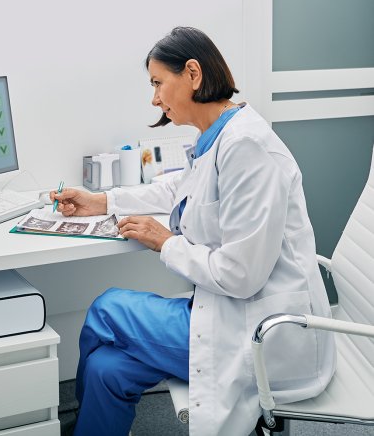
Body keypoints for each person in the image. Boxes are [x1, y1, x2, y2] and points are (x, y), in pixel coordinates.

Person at [52, 27, 336, 436]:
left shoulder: (248, 147)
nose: (154, 99)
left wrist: (166, 242)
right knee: (105, 369)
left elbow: (240, 275)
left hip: (263, 331)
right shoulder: (217, 136)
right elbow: (177, 189)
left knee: (106, 307)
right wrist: (103, 202)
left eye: (157, 83)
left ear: (192, 73)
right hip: (224, 310)